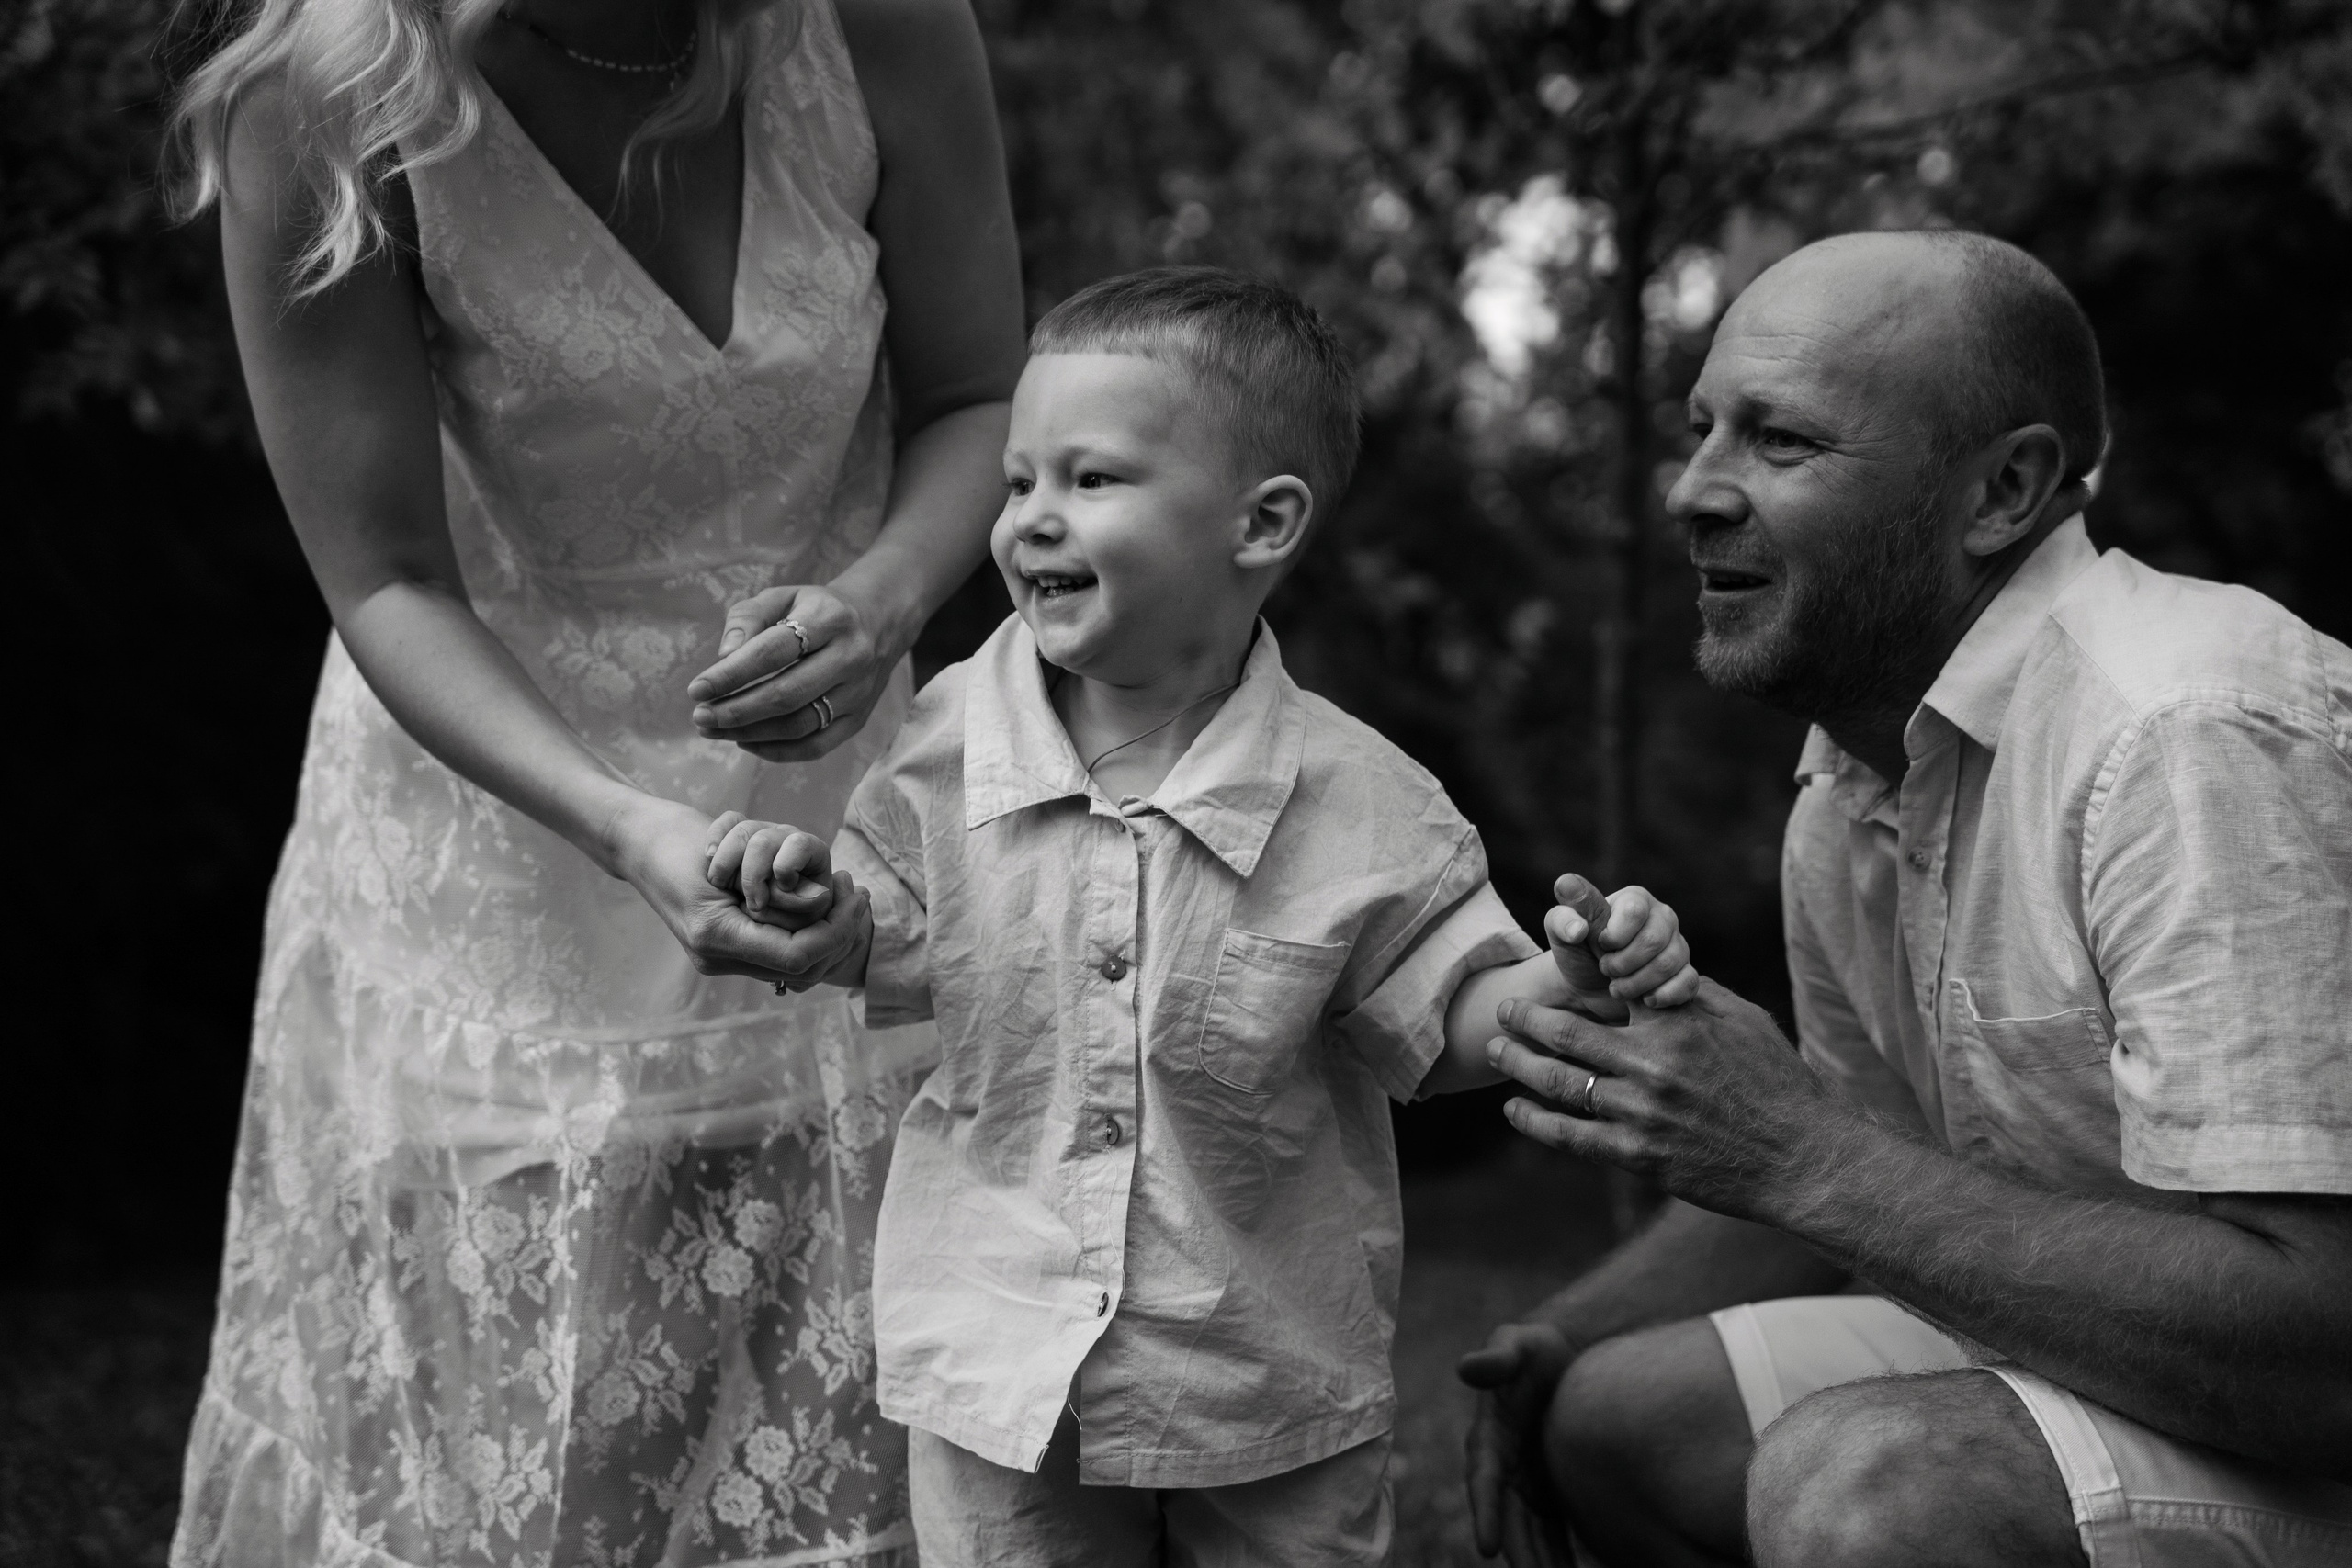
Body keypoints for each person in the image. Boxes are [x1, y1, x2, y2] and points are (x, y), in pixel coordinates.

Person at [165, 1, 1023, 1563]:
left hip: (830, 811)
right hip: (502, 830)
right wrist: (629, 826)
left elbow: (979, 392)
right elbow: (386, 582)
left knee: (836, 1420)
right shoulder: (319, 101)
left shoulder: (885, 28)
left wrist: (886, 597)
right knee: (548, 1443)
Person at [695, 267, 1702, 1566]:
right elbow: (882, 932)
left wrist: (1569, 989)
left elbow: (1447, 1017)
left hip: (1256, 1371)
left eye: (1091, 481)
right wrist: (814, 907)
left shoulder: (1358, 798)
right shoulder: (951, 736)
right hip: (1005, 1369)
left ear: (1260, 523)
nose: (1030, 523)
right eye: (1018, 483)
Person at [1459, 230, 2352, 1568]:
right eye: (1702, 430)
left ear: (2004, 489)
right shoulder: (1851, 785)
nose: (1692, 491)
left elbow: (2326, 1350)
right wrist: (1564, 1333)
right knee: (1613, 1414)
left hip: (2308, 1408)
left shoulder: (2189, 733)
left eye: (1781, 442)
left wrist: (1789, 1149)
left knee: (1862, 1492)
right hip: (2134, 1364)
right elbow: (1864, 1178)